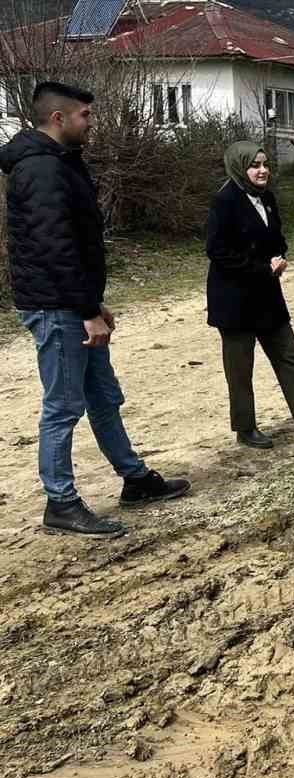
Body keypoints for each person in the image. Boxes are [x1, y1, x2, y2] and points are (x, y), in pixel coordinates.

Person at [0, 81, 191, 539]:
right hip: (57, 307)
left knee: (103, 396)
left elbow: (75, 246)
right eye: (85, 116)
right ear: (58, 119)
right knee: (62, 407)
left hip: (74, 302)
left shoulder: (61, 163)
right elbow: (55, 248)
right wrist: (85, 308)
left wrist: (94, 302)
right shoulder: (42, 170)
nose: (92, 123)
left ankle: (135, 479)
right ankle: (61, 503)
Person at [207, 141, 294, 448]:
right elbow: (217, 251)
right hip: (234, 299)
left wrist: (279, 256)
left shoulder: (267, 198)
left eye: (265, 164)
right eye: (255, 166)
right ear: (240, 168)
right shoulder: (225, 201)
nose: (262, 171)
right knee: (240, 367)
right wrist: (261, 267)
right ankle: (245, 429)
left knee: (290, 353)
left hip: (266, 294)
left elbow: (276, 237)